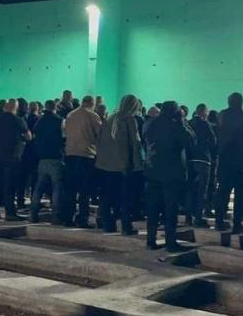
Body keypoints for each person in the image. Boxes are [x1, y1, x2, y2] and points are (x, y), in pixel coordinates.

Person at [144, 101, 195, 252]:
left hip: (153, 171)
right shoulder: (175, 126)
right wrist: (182, 122)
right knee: (170, 210)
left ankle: (150, 240)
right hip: (171, 174)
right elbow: (191, 140)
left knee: (153, 209)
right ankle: (170, 242)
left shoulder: (152, 124)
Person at [94, 94, 144, 235]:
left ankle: (108, 224)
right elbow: (135, 143)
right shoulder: (129, 119)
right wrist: (138, 164)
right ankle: (126, 226)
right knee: (125, 197)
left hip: (106, 163)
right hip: (123, 164)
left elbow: (101, 140)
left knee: (107, 195)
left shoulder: (111, 118)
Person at [214, 92, 243, 234]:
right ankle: (237, 223)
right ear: (241, 102)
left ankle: (219, 221)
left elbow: (217, 134)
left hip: (224, 157)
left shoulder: (222, 115)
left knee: (223, 191)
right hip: (239, 158)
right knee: (240, 192)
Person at [0, 97, 31, 220]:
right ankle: (10, 213)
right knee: (9, 186)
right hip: (12, 157)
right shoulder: (18, 120)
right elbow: (28, 136)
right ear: (15, 107)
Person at [63, 95, 102, 227]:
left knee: (70, 189)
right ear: (92, 103)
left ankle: (68, 217)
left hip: (70, 154)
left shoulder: (70, 115)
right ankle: (82, 219)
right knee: (85, 190)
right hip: (86, 155)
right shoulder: (92, 115)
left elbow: (65, 133)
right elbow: (100, 134)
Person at [30, 99, 66, 223]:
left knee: (39, 188)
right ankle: (56, 216)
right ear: (55, 107)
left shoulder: (39, 121)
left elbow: (35, 136)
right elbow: (64, 138)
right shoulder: (59, 120)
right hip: (56, 157)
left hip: (42, 158)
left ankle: (33, 214)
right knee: (57, 187)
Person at [187, 104, 217, 228]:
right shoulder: (206, 124)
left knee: (190, 189)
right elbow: (213, 141)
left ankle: (188, 217)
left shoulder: (188, 123)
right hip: (204, 160)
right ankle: (198, 218)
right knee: (202, 190)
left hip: (190, 160)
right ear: (205, 113)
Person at [17, 101, 41, 209]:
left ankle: (20, 200)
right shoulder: (39, 120)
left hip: (24, 152)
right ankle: (34, 201)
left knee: (22, 179)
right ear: (37, 109)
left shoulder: (23, 120)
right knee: (35, 179)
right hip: (35, 152)